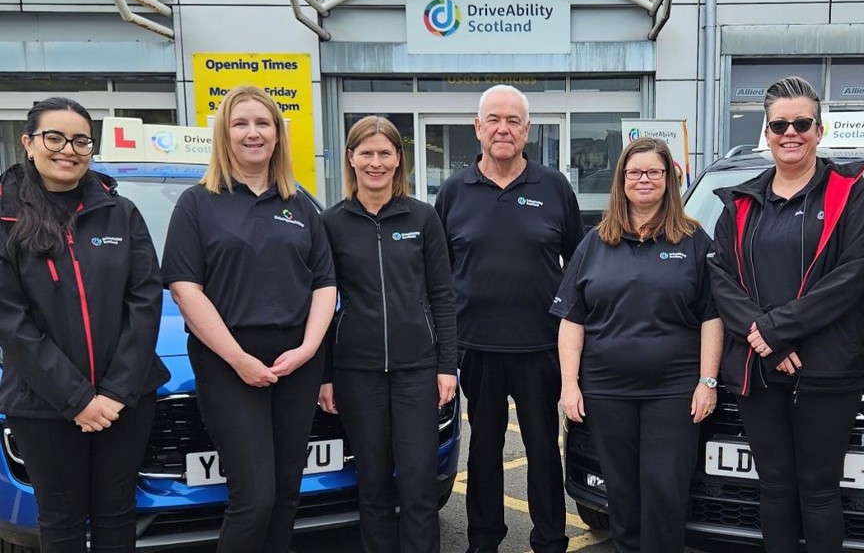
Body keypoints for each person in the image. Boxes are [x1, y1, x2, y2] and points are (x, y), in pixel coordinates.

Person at [708, 76, 864, 553]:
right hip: (758, 365)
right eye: (779, 124)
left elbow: (850, 278)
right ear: (766, 132)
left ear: (819, 130)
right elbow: (721, 278)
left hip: (826, 367)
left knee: (819, 488)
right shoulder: (740, 202)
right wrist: (768, 339)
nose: (791, 132)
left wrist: (776, 330)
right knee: (776, 486)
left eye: (801, 123)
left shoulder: (853, 194)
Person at [162, 86, 336, 553]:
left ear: (278, 136)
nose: (253, 133)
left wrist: (307, 350)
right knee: (254, 497)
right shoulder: (198, 204)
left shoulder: (300, 204)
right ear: (224, 134)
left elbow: (325, 283)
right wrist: (238, 358)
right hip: (227, 362)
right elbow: (185, 289)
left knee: (285, 495)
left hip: (296, 362)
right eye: (241, 123)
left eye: (263, 123)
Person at [0, 98, 169, 553]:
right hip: (44, 404)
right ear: (28, 143)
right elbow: (10, 320)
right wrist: (77, 399)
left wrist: (115, 392)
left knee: (118, 514)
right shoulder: (5, 219)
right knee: (62, 522)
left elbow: (145, 297)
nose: (68, 150)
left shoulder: (121, 212)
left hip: (125, 400)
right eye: (54, 137)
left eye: (80, 140)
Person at [552, 137, 723, 552]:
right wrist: (570, 385)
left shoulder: (695, 242)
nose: (643, 179)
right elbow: (572, 319)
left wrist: (708, 381)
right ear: (622, 180)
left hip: (673, 390)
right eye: (634, 172)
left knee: (665, 489)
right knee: (622, 494)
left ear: (669, 180)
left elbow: (712, 316)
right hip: (607, 389)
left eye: (653, 172)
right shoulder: (594, 243)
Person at [434, 84, 583, 553]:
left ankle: (551, 539)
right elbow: (436, 275)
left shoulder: (554, 186)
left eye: (513, 120)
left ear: (527, 130)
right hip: (476, 345)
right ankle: (483, 540)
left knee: (541, 450)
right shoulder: (454, 192)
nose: (503, 128)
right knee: (483, 451)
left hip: (540, 345)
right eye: (493, 119)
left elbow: (578, 267)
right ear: (477, 129)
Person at [317, 116, 457, 553]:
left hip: (417, 369)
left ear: (399, 160)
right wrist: (325, 375)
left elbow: (442, 296)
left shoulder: (423, 218)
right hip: (357, 372)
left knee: (418, 484)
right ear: (351, 159)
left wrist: (447, 366)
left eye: (385, 153)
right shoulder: (331, 223)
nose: (375, 162)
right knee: (373, 485)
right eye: (366, 153)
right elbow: (319, 305)